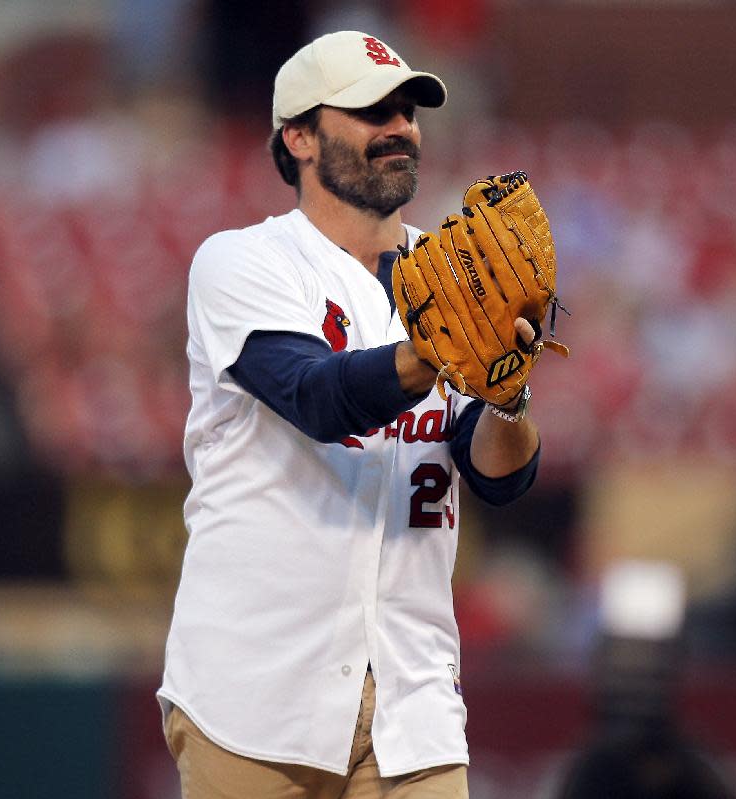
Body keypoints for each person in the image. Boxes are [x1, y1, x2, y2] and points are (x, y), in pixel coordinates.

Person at [158, 31, 545, 798]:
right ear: (298, 136)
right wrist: (444, 346)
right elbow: (316, 395)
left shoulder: (453, 272)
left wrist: (508, 393)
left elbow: (500, 475)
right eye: (371, 110)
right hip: (255, 698)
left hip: (413, 697)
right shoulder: (244, 262)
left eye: (406, 109)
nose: (398, 125)